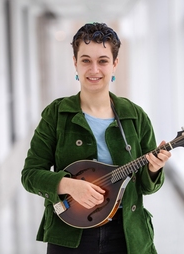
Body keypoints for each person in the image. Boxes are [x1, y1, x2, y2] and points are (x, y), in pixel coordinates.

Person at [21, 22, 171, 254]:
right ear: (75, 63)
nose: (94, 70)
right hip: (69, 236)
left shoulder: (135, 117)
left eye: (102, 61)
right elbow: (30, 175)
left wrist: (153, 169)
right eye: (86, 60)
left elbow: (146, 187)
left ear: (114, 64)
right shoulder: (57, 114)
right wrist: (69, 185)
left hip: (127, 236)